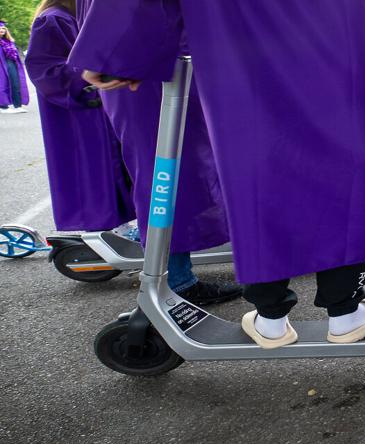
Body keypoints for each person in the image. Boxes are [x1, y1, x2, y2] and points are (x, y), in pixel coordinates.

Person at [72, 0, 365, 348]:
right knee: (339, 167)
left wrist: (116, 53)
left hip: (233, 45)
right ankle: (345, 311)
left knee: (256, 172)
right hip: (334, 38)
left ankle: (270, 317)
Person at [72, 19, 240, 304]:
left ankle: (176, 277)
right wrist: (106, 56)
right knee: (165, 177)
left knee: (177, 176)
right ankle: (176, 281)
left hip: (153, 66)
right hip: (149, 73)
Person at [25, 0, 132, 233]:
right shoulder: (53, 19)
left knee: (111, 170)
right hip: (76, 114)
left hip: (95, 104)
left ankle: (119, 227)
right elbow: (46, 71)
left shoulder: (78, 15)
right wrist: (93, 73)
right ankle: (105, 230)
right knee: (91, 173)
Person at [1, 20, 30, 113]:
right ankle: (3, 106)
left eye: (3, 28)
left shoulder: (9, 41)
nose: (2, 30)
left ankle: (18, 105)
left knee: (16, 83)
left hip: (11, 64)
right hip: (2, 66)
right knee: (3, 84)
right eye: (0, 28)